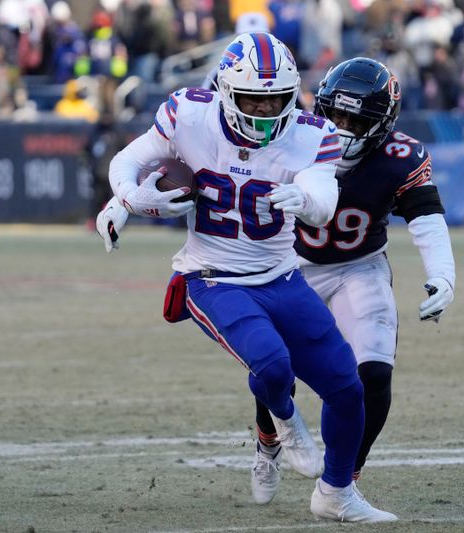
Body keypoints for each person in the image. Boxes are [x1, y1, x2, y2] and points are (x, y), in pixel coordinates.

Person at [95, 32, 397, 523]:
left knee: (347, 388)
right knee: (274, 367)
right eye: (253, 98)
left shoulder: (310, 133)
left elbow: (323, 200)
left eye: (275, 98)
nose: (264, 109)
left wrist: (308, 202)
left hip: (281, 276)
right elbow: (129, 161)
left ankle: (336, 495)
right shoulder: (189, 115)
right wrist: (128, 200)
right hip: (210, 276)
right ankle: (281, 422)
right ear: (224, 91)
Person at [248, 57, 456, 505]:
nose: (338, 127)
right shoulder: (289, 136)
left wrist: (443, 274)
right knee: (274, 365)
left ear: (380, 125)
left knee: (375, 374)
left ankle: (344, 479)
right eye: (333, 114)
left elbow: (426, 218)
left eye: (353, 119)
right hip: (290, 265)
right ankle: (269, 440)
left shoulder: (400, 158)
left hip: (358, 267)